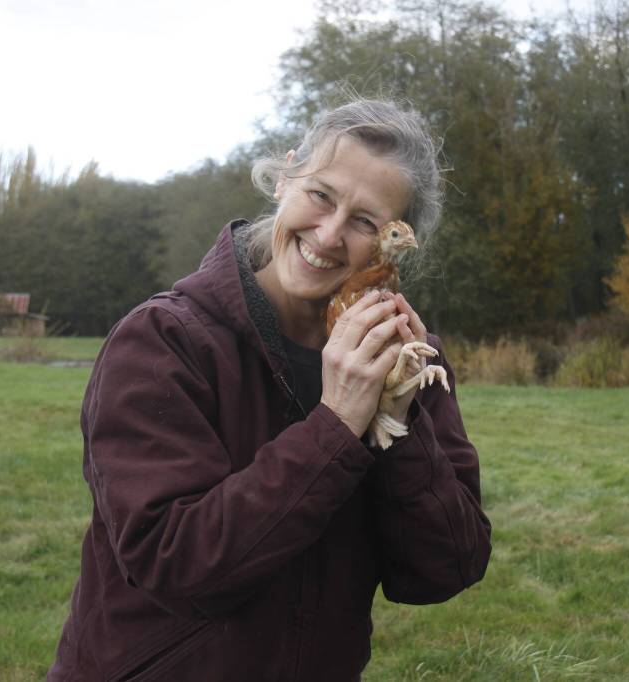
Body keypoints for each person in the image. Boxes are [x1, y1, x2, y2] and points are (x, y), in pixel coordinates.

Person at [48, 99, 491, 681]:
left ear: (394, 242)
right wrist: (337, 426)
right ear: (285, 177)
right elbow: (174, 563)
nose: (328, 235)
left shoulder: (404, 360)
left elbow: (447, 568)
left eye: (365, 222)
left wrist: (398, 422)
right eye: (321, 195)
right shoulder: (163, 341)